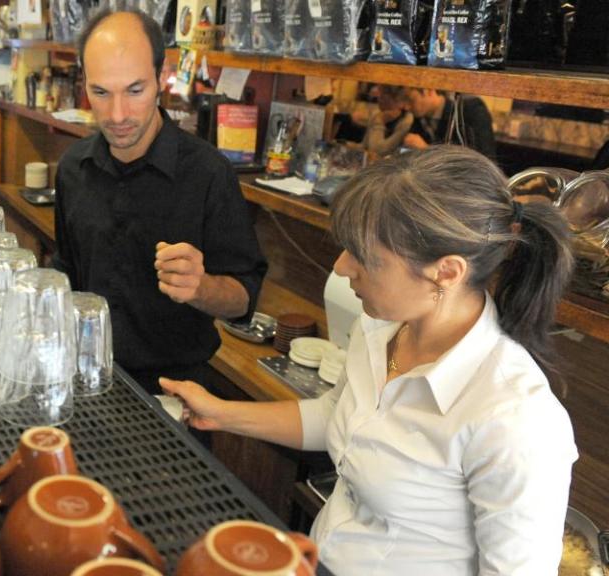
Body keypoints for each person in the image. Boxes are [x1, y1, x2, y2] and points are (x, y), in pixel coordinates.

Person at [162, 145, 577, 574]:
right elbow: (339, 416)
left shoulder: (515, 419)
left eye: (362, 255)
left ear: (447, 271)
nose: (341, 267)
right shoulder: (380, 329)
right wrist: (223, 414)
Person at [53, 9, 268, 394]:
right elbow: (67, 270)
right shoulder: (73, 168)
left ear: (161, 77)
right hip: (85, 378)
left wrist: (201, 287)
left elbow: (243, 298)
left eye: (135, 91)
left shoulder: (209, 174)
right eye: (101, 93)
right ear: (84, 82)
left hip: (175, 392)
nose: (118, 115)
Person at [399, 87, 496, 160]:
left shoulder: (471, 110)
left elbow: (483, 159)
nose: (406, 107)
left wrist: (426, 150)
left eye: (410, 99)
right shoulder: (420, 117)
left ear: (429, 91)